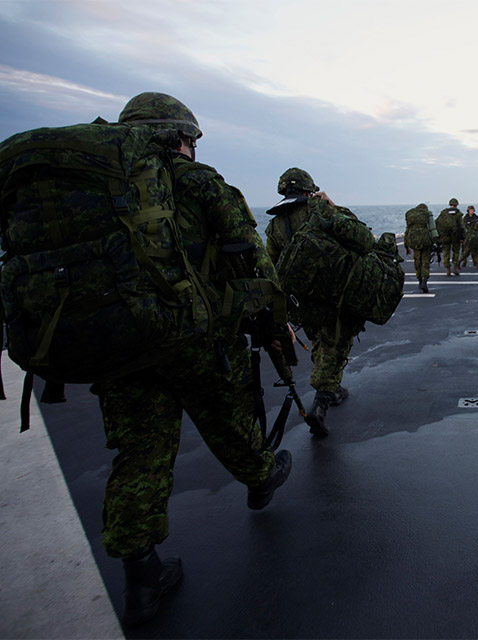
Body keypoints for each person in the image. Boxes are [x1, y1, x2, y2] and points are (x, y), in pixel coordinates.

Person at [95, 92, 292, 626]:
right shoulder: (200, 183)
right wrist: (272, 324)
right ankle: (259, 477)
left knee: (139, 451)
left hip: (119, 342)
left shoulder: (100, 184)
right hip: (193, 336)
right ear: (181, 137)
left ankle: (141, 577)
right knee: (225, 415)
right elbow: (251, 257)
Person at [265, 167, 364, 437]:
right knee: (337, 342)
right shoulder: (319, 210)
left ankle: (333, 388)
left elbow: (270, 265)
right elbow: (358, 234)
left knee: (321, 340)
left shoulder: (275, 224)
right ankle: (320, 403)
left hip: (301, 300)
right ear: (310, 190)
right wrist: (333, 205)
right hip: (332, 294)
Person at [404, 203, 438, 292]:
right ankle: (425, 281)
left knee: (417, 262)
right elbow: (432, 229)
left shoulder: (412, 221)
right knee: (426, 262)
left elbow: (407, 232)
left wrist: (406, 247)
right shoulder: (427, 216)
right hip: (426, 241)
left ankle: (419, 280)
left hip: (414, 242)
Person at [435, 197, 465, 276]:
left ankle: (448, 270)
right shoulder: (458, 214)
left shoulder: (443, 213)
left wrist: (439, 236)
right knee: (456, 252)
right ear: (456, 205)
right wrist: (463, 238)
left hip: (445, 237)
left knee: (446, 253)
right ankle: (454, 269)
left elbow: (437, 223)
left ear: (450, 204)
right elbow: (462, 226)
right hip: (456, 236)